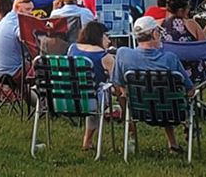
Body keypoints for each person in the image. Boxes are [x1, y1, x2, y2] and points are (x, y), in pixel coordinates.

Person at [113, 16, 192, 153]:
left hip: (138, 110)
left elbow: (119, 85)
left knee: (158, 92)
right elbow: (190, 90)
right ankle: (175, 143)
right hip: (171, 112)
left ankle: (134, 134)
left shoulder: (123, 54)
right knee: (164, 93)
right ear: (154, 34)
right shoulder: (170, 58)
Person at [67, 21, 114, 151]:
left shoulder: (72, 49)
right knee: (97, 94)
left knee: (88, 91)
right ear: (99, 36)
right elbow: (116, 81)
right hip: (92, 101)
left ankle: (87, 142)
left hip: (68, 99)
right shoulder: (105, 57)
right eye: (106, 36)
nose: (109, 40)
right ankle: (88, 140)